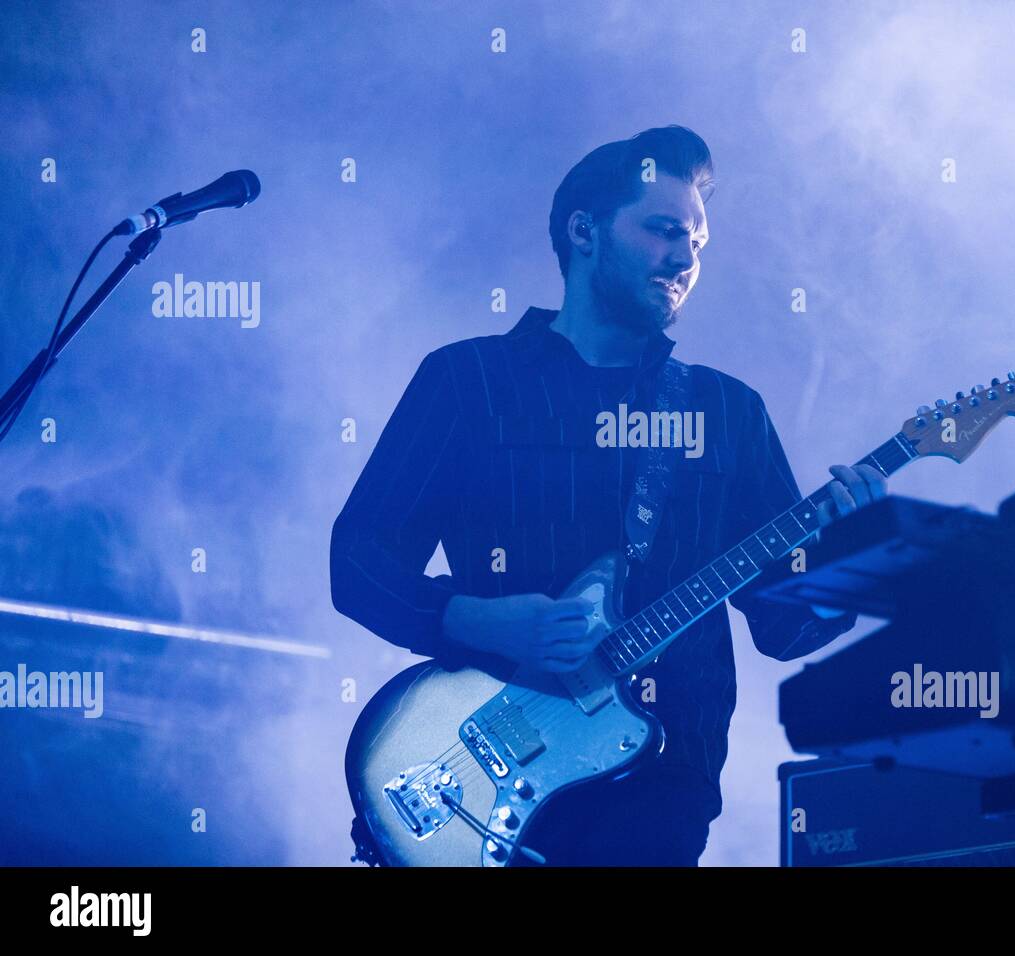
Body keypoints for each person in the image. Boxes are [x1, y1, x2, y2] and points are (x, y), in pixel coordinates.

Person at [331, 125, 885, 866]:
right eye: (664, 231)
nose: (687, 257)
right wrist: (478, 621)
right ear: (583, 230)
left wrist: (847, 561)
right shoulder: (467, 382)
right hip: (470, 790)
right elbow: (358, 559)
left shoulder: (726, 413)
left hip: (655, 803)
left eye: (698, 242)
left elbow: (782, 627)